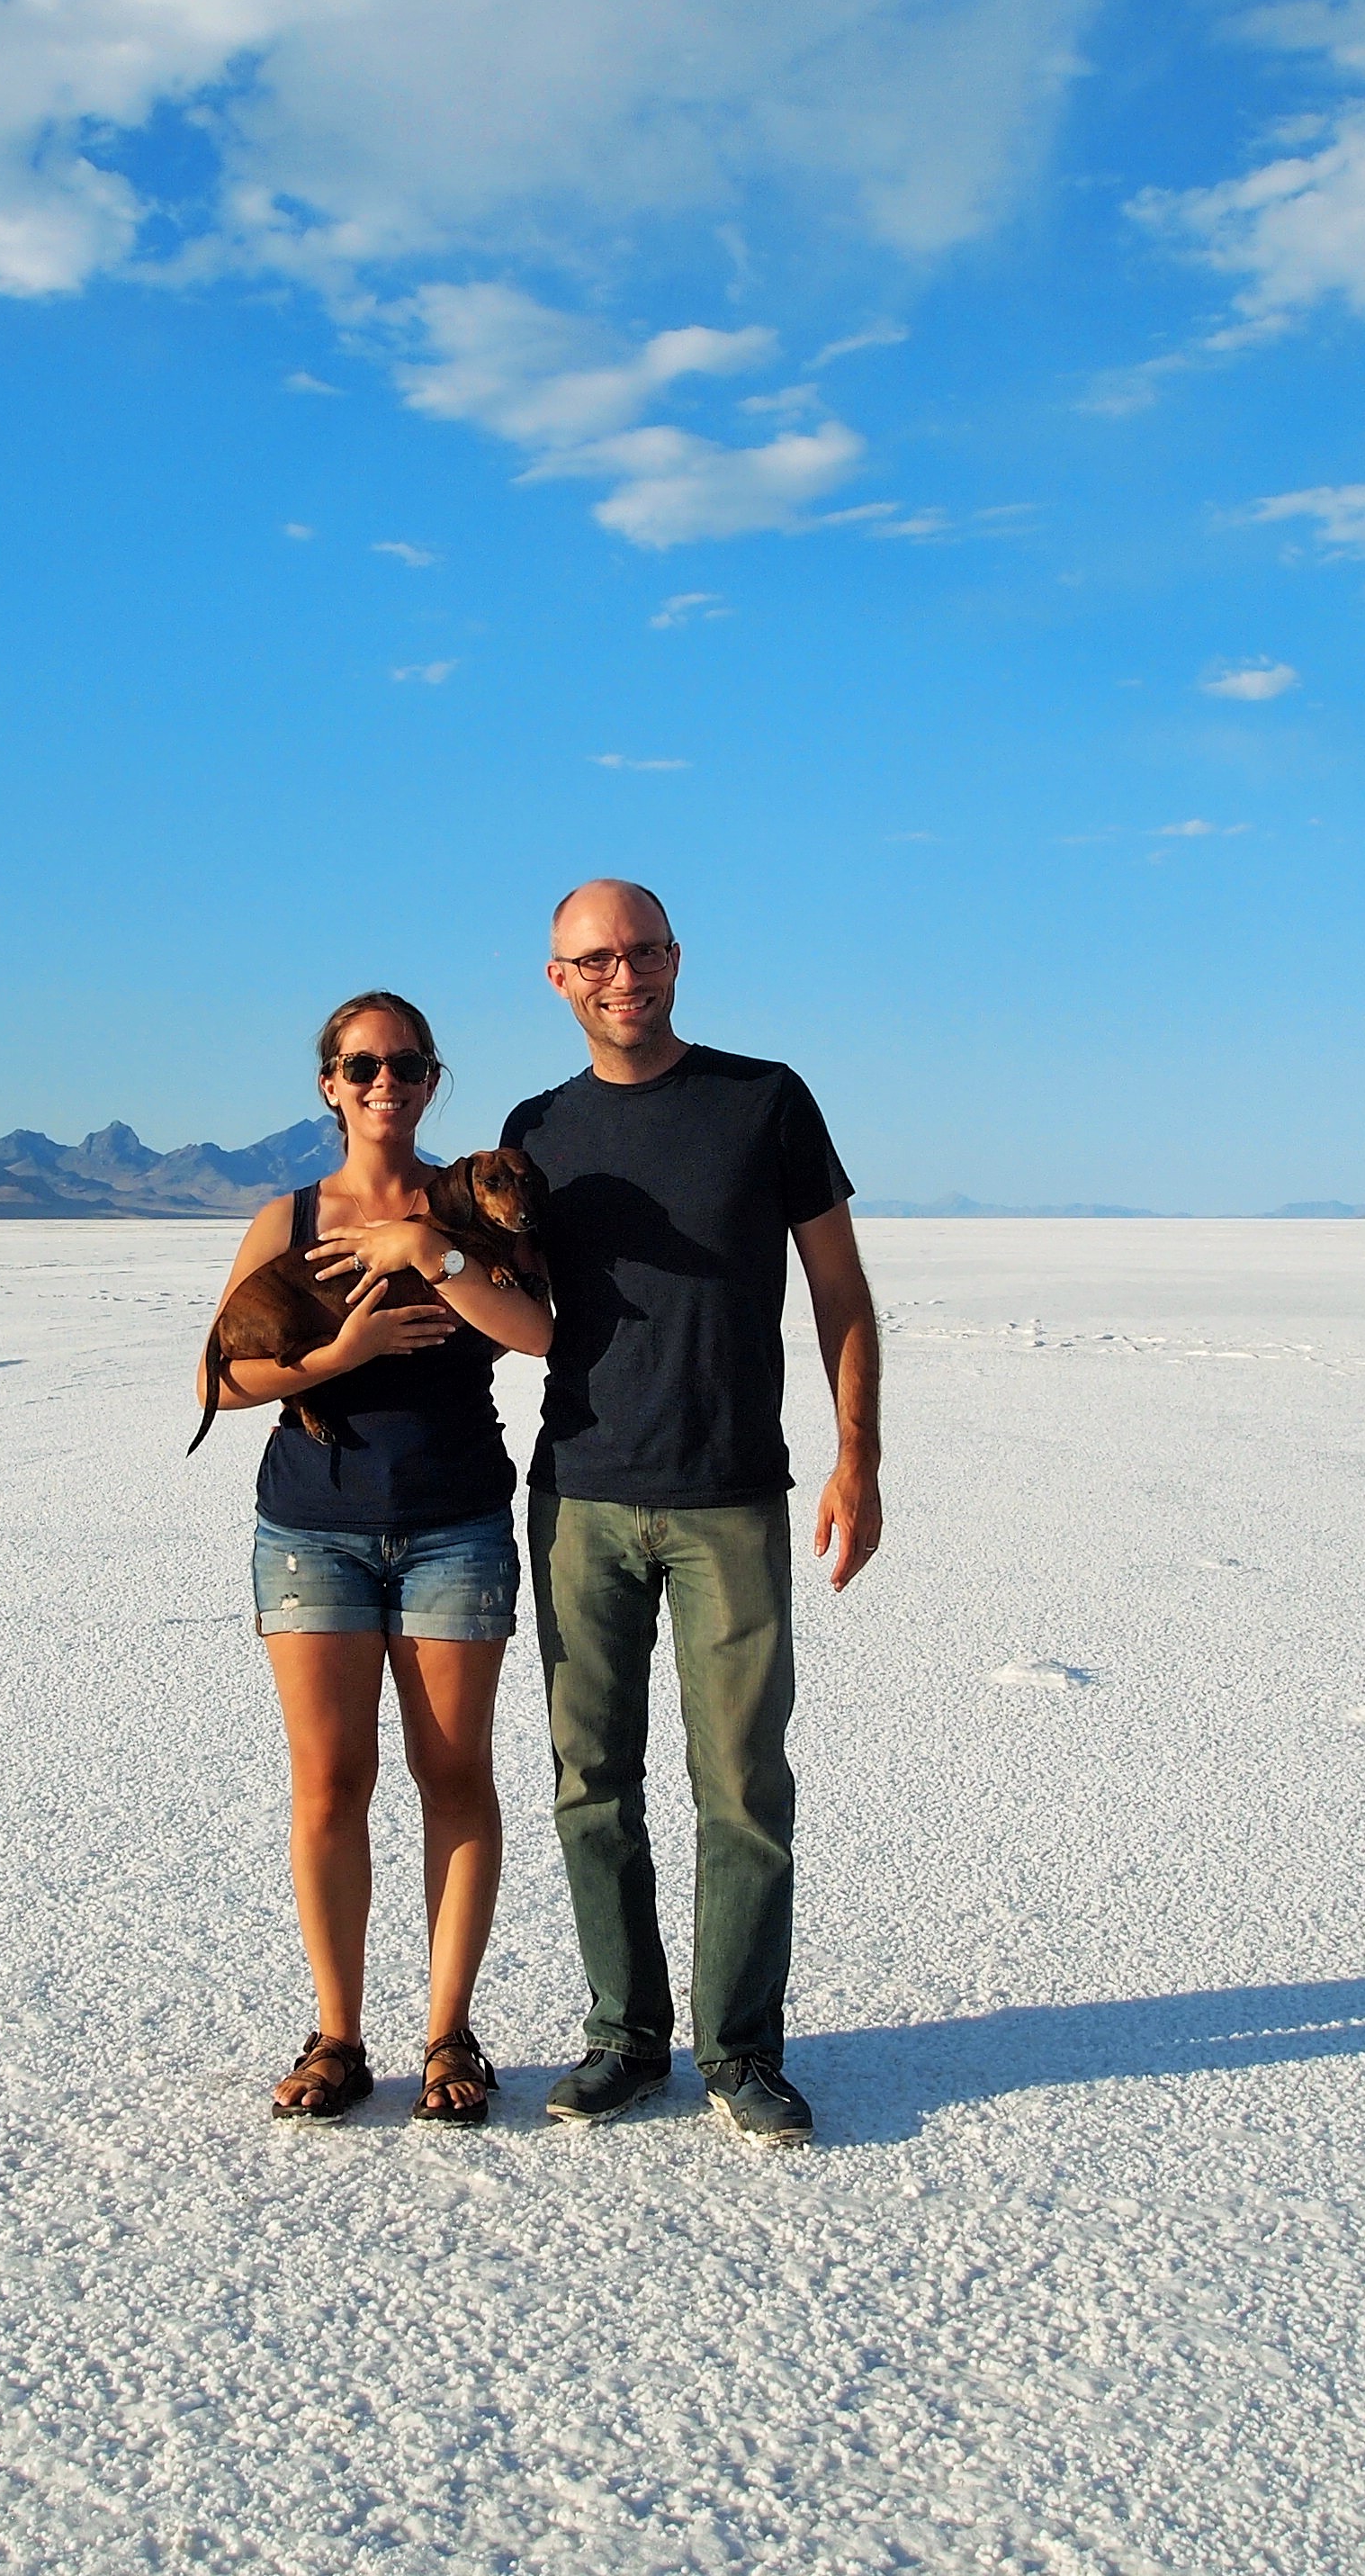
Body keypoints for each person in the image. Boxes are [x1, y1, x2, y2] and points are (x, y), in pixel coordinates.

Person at [499, 880, 882, 2147]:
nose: (626, 976)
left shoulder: (763, 1101)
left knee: (744, 1787)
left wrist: (859, 1457)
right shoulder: (536, 1130)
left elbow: (840, 1290)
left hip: (729, 1497)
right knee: (590, 1782)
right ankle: (624, 2036)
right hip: (579, 1497)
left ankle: (741, 2050)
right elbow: (513, 1302)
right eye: (597, 959)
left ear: (676, 958)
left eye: (645, 951)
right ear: (559, 979)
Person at [198, 991, 553, 2126]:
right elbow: (217, 1378)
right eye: (361, 1066)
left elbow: (540, 1332)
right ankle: (338, 2037)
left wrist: (427, 1252)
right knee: (330, 1784)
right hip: (313, 1529)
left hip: (455, 1525)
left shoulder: (478, 1205)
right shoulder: (290, 1217)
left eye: (405, 1064)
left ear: (432, 1080)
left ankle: (450, 2037)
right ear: (331, 1085)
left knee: (454, 1778)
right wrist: (340, 1354)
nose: (383, 1082)